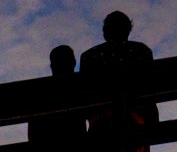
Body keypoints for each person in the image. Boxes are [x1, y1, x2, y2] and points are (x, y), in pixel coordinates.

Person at [79, 11, 158, 152]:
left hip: (101, 126)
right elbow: (151, 92)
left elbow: (84, 99)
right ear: (128, 30)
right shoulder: (142, 51)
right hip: (136, 123)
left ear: (105, 33)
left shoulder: (89, 57)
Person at [27, 45, 87, 150]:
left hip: (46, 148)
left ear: (52, 66)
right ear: (73, 62)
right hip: (78, 145)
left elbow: (32, 133)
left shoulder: (39, 92)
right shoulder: (81, 87)